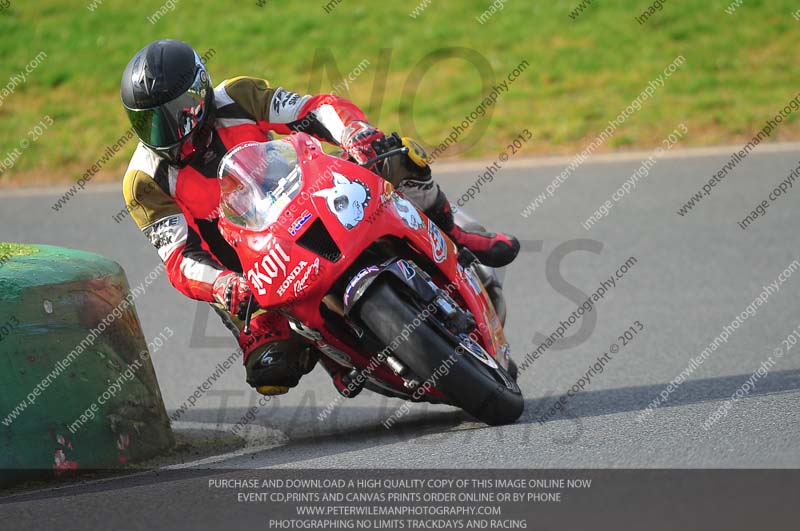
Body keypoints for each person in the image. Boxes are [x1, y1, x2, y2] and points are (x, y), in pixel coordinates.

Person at [120, 39, 520, 396]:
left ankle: (453, 232)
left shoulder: (237, 95)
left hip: (305, 196)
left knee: (396, 156)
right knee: (271, 370)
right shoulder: (143, 182)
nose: (165, 129)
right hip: (249, 267)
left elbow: (314, 109)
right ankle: (336, 355)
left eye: (174, 112)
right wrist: (223, 284)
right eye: (148, 121)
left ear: (199, 92)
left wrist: (354, 132)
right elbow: (179, 259)